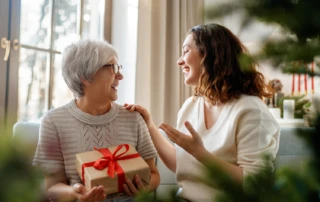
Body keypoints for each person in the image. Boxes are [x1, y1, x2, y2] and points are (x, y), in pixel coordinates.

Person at [125, 23, 280, 201]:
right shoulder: (191, 106)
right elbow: (181, 164)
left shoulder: (251, 110)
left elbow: (255, 185)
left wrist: (200, 153)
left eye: (186, 51)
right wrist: (150, 126)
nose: (179, 61)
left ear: (210, 55)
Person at [33, 39, 160, 202]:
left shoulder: (133, 118)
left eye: (119, 68)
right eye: (112, 67)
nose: (120, 75)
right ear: (86, 76)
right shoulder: (53, 122)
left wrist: (143, 188)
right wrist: (75, 193)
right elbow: (52, 188)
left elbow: (154, 175)